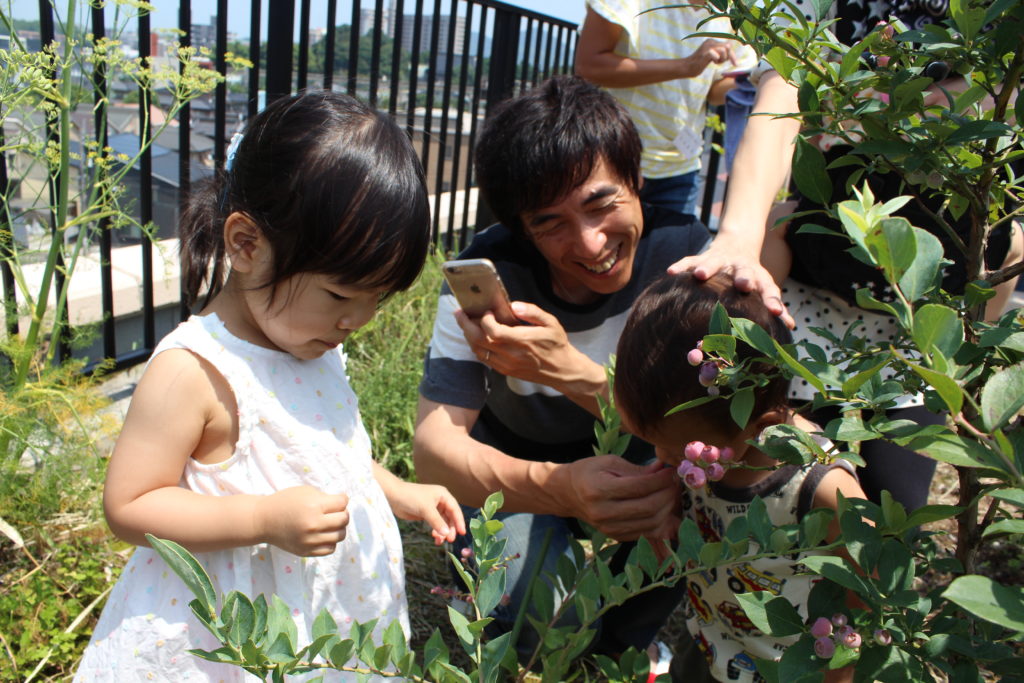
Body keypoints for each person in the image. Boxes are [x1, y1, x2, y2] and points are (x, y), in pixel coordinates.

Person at [75, 91, 465, 681]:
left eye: (376, 298)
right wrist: (262, 519)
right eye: (340, 294)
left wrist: (397, 492)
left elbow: (328, 453)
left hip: (324, 623)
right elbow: (129, 505)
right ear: (247, 245)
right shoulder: (195, 369)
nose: (357, 320)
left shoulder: (312, 342)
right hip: (234, 632)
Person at [670, 0, 1023, 511]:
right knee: (766, 494)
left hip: (928, 316)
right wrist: (740, 236)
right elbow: (782, 90)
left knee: (893, 513)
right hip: (815, 292)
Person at [413, 75, 712, 664]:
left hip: (643, 469)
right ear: (523, 228)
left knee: (701, 513)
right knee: (547, 612)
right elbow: (432, 451)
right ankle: (529, 644)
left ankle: (628, 650)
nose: (591, 242)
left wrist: (570, 372)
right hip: (516, 469)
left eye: (602, 204)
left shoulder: (685, 263)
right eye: (550, 224)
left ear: (638, 181)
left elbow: (706, 430)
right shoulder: (488, 275)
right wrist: (561, 489)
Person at [614, 271, 867, 683]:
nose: (665, 459)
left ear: (757, 426)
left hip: (786, 668)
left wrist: (839, 673)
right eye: (652, 443)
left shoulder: (819, 487)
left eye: (678, 452)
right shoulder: (705, 438)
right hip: (709, 637)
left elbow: (864, 588)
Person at [575, 0, 757, 215]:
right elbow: (589, 67)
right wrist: (685, 66)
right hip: (609, 160)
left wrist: (755, 79)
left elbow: (713, 91)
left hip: (680, 168)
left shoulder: (733, 14)